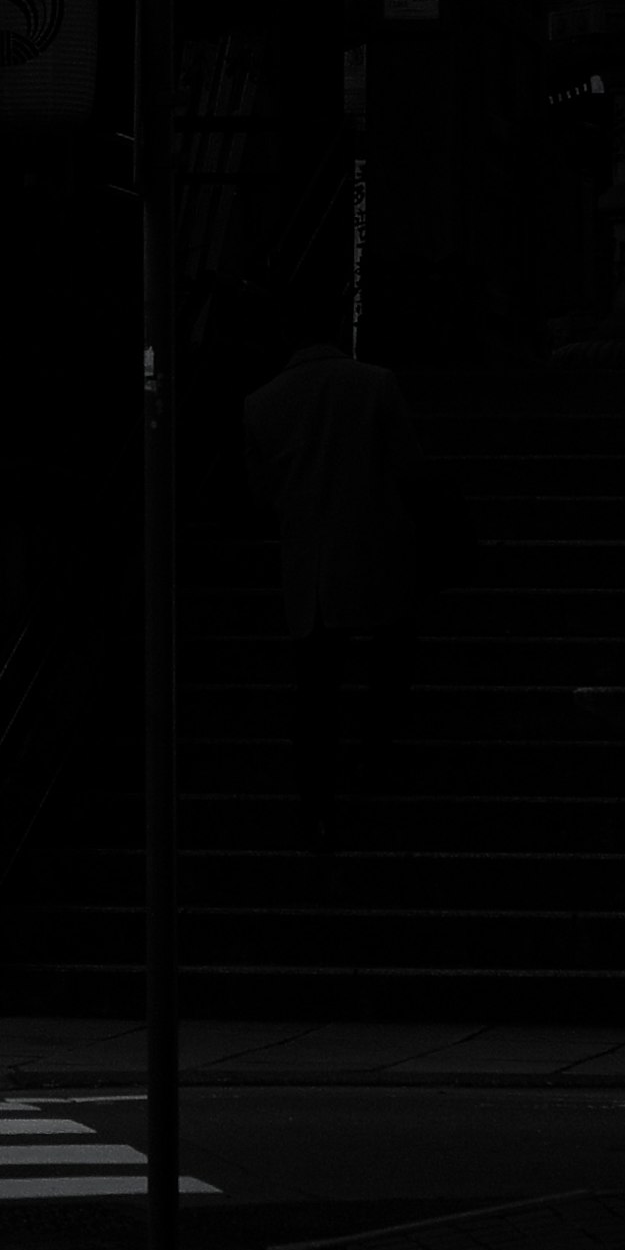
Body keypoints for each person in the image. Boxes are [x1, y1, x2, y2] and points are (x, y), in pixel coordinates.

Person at [241, 313, 424, 851]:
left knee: (315, 690)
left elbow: (260, 495)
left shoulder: (260, 404)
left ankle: (317, 806)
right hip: (376, 551)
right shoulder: (376, 384)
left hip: (311, 566)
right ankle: (375, 755)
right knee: (392, 653)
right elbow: (410, 468)